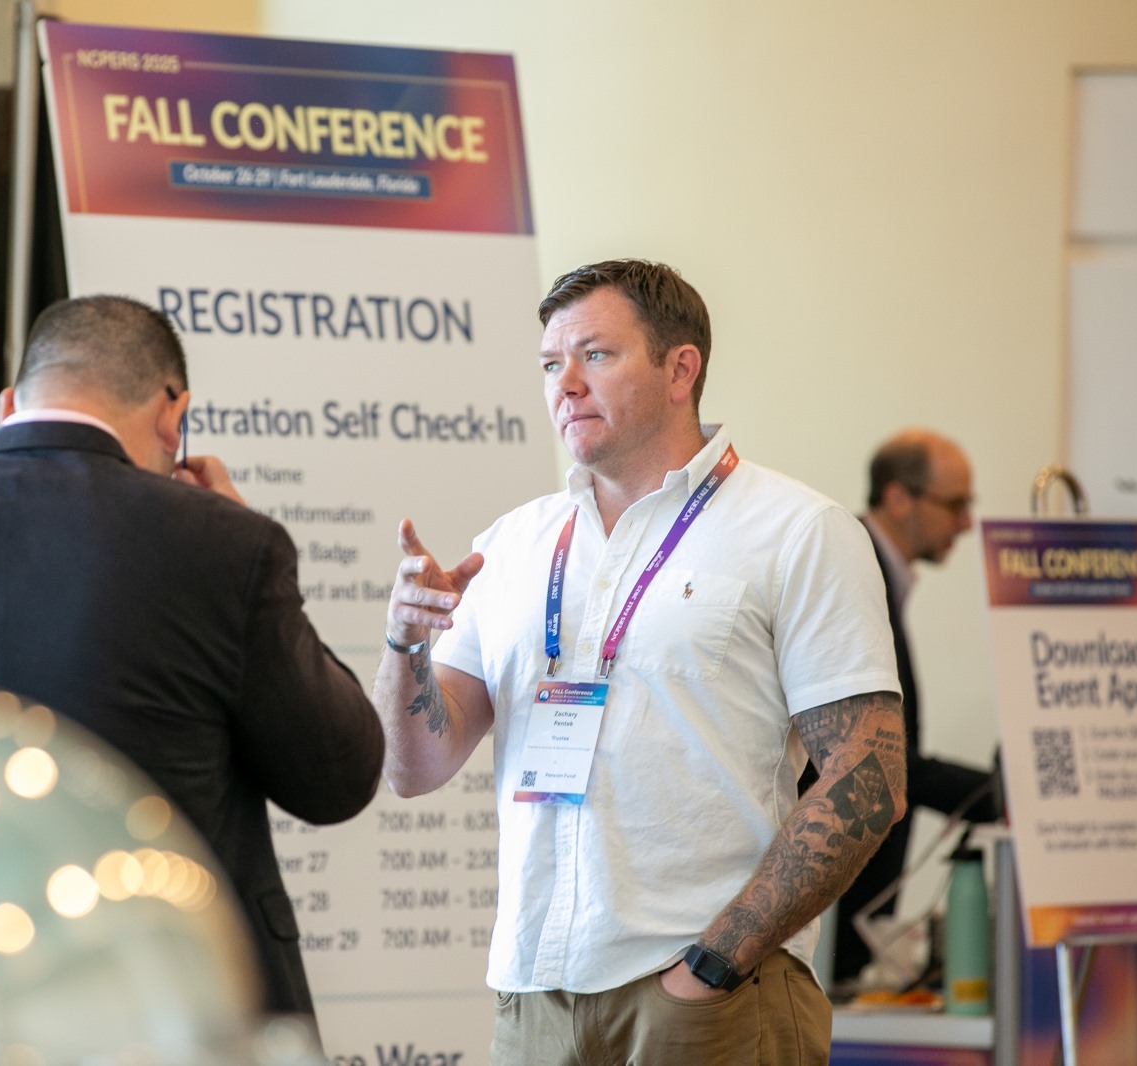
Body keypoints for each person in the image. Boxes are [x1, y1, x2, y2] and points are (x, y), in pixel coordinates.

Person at [0, 294, 384, 1022]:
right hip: (165, 1011)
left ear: (11, 404)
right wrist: (237, 536)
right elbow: (338, 777)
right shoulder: (223, 545)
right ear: (173, 415)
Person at [374, 259, 907, 1065]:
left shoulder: (797, 530)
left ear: (680, 369)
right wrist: (406, 645)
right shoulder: (513, 544)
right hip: (534, 1002)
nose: (565, 385)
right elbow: (413, 769)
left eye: (596, 355)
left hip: (707, 998)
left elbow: (869, 778)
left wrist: (713, 966)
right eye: (551, 364)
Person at [829, 429, 1000, 985]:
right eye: (955, 504)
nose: (967, 523)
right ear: (898, 497)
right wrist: (1003, 797)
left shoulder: (874, 572)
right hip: (830, 904)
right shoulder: (851, 572)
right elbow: (881, 761)